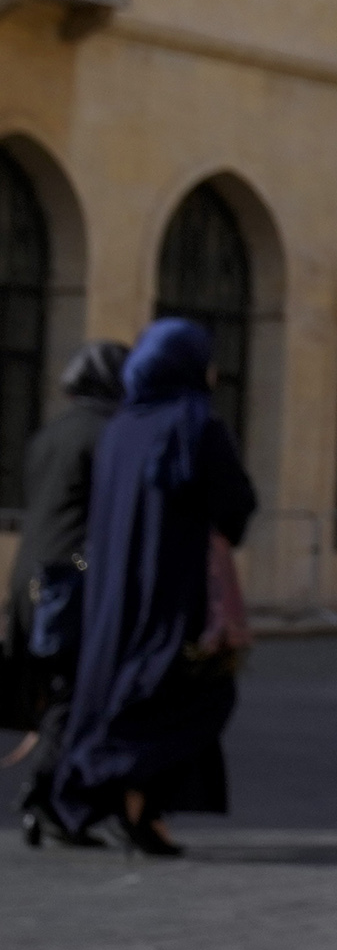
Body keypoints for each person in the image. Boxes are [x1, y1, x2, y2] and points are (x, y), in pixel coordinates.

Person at [50, 319, 254, 859]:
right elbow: (234, 506)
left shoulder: (119, 429)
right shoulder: (195, 425)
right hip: (174, 593)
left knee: (128, 688)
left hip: (114, 596)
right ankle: (134, 799)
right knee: (195, 693)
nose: (214, 372)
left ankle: (134, 805)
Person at [11, 336, 125, 842]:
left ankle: (50, 797)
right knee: (74, 695)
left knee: (56, 694)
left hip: (31, 576)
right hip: (73, 580)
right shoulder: (106, 435)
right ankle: (48, 798)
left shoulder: (51, 433)